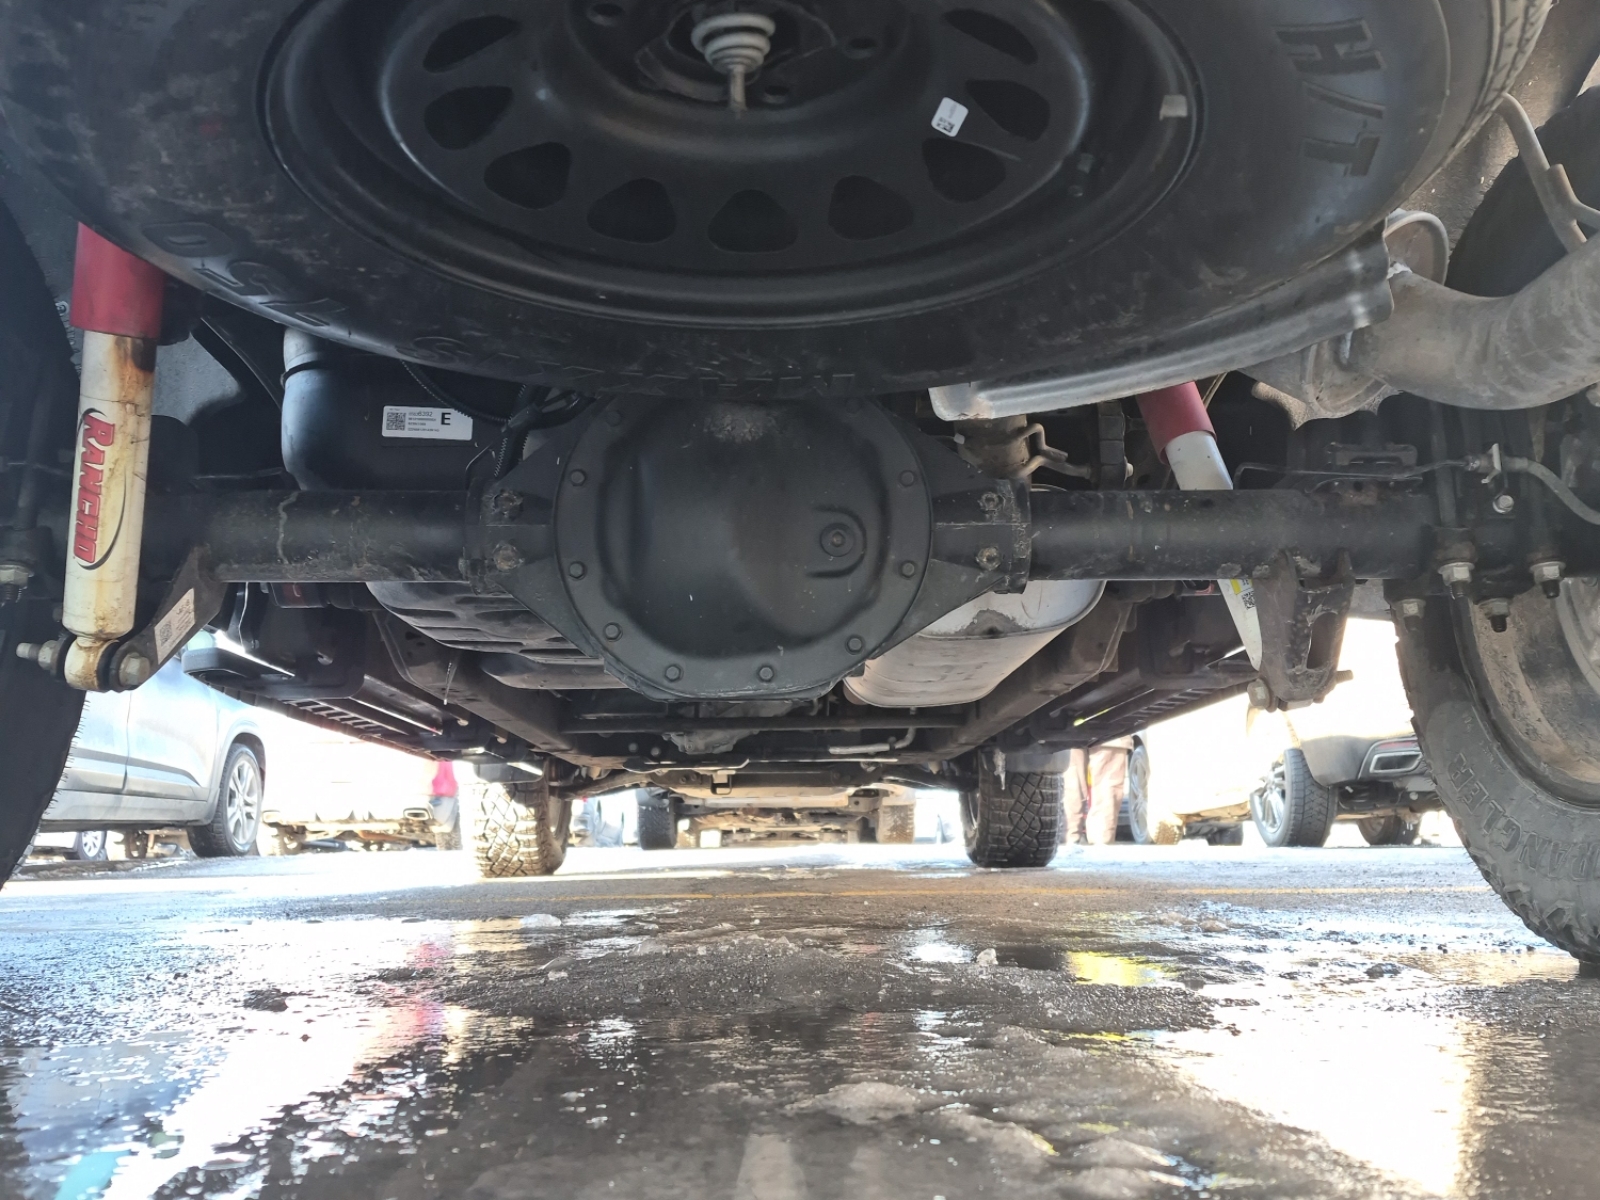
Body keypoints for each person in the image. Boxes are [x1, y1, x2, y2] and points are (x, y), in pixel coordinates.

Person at [1064, 737, 1134, 845]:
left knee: (1071, 780)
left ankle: (1069, 838)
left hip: (1067, 732)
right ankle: (1101, 840)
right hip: (1111, 732)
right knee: (1108, 780)